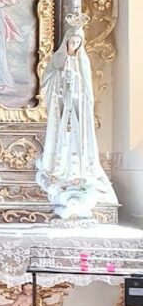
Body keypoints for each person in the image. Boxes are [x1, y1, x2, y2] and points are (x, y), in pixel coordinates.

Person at [36, 19, 117, 219]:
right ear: (66, 42)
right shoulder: (57, 61)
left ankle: (79, 181)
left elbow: (88, 91)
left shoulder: (83, 62)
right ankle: (61, 177)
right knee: (60, 142)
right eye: (71, 41)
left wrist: (77, 87)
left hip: (78, 110)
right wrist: (62, 78)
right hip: (61, 109)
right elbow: (47, 80)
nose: (73, 45)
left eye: (77, 42)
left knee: (78, 142)